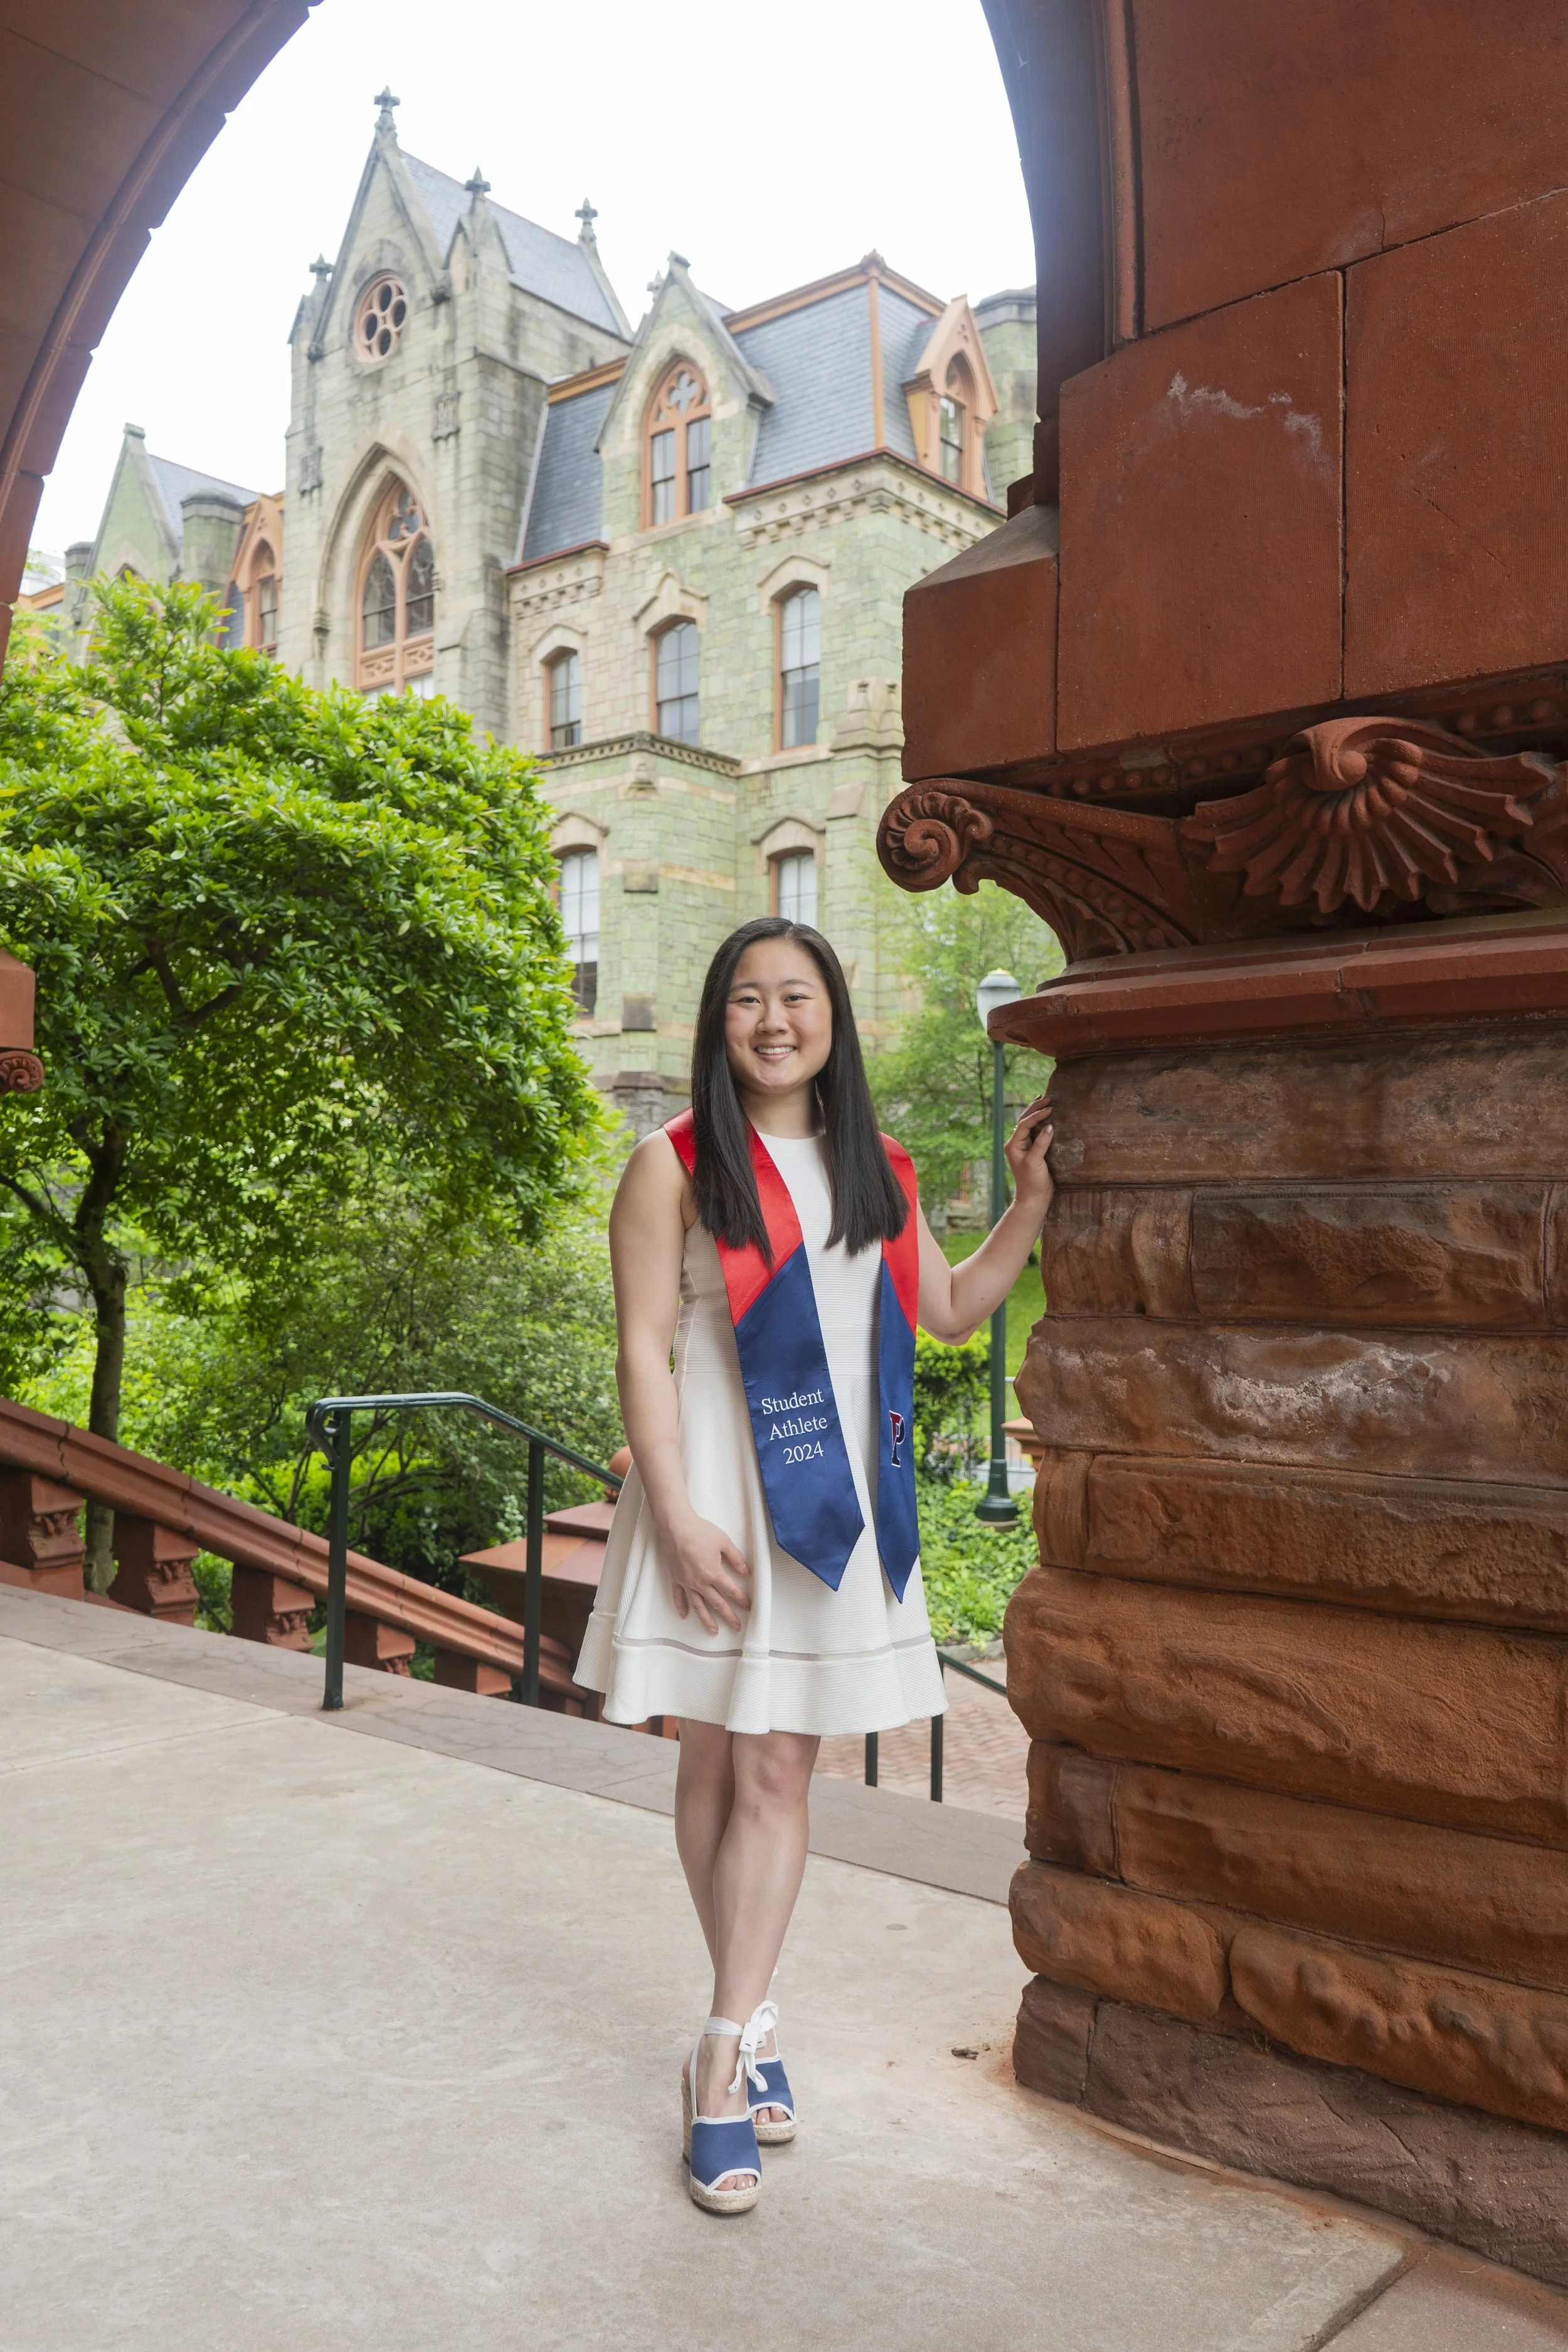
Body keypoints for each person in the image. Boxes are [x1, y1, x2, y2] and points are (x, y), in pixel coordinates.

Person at [575, 916, 1054, 2213]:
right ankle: (755, 2011)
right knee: (714, 1758)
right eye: (745, 999)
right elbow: (640, 1353)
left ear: (832, 1016)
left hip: (835, 1509)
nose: (772, 1019)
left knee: (783, 1766)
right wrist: (670, 1512)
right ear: (715, 1021)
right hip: (720, 1495)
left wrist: (1029, 1207)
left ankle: (722, 2052)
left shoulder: (877, 1168)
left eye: (795, 996)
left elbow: (948, 1313)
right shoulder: (670, 1165)